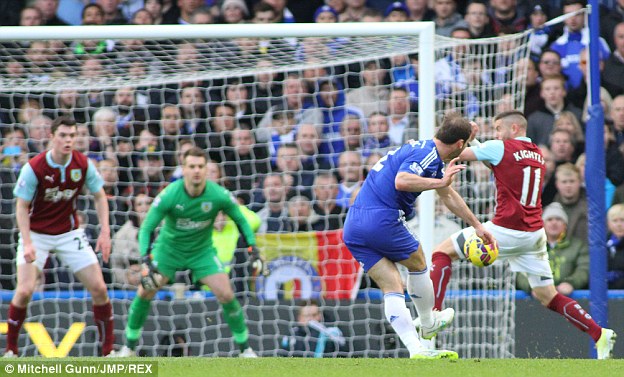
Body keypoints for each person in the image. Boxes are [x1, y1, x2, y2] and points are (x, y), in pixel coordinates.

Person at [421, 110, 616, 359]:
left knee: (441, 251)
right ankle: (599, 334)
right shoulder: (537, 153)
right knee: (549, 295)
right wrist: (479, 142)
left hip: (505, 229)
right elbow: (499, 164)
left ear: (514, 129)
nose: (497, 133)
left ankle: (434, 316)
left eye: (499, 128)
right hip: (534, 234)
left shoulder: (501, 147)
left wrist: (466, 138)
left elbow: (458, 153)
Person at [343, 113, 496, 359]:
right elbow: (402, 181)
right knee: (419, 261)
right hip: (382, 218)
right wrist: (441, 182)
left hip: (354, 226)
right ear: (459, 144)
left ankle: (417, 350)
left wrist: (477, 225)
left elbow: (448, 195)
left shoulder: (428, 153)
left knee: (392, 286)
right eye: (465, 144)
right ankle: (428, 321)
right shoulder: (426, 155)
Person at [110, 147, 263, 358]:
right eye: (192, 166)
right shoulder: (170, 194)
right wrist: (146, 257)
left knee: (227, 294)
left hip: (202, 252)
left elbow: (241, 220)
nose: (197, 171)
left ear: (206, 169)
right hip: (168, 251)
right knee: (145, 292)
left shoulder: (218, 194)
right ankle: (128, 347)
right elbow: (146, 228)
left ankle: (245, 349)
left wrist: (253, 247)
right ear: (184, 169)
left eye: (201, 166)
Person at [5, 116, 115, 357]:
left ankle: (108, 353)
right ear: (52, 137)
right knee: (24, 291)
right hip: (36, 234)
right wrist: (27, 242)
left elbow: (99, 196)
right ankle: (11, 350)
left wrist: (105, 232)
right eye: (63, 136)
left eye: (72, 136)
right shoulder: (34, 167)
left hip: (68, 233)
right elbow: (21, 206)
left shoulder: (83, 164)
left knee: (99, 289)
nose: (68, 140)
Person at [516, 202, 589, 295]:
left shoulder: (578, 246)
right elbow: (521, 272)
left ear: (565, 225)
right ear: (543, 225)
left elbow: (584, 269)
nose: (554, 222)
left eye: (558, 219)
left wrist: (571, 283)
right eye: (549, 219)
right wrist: (532, 287)